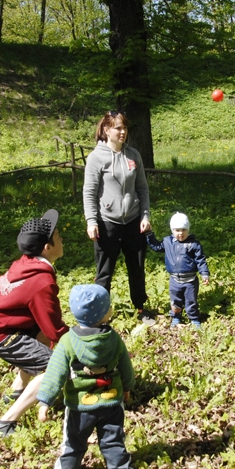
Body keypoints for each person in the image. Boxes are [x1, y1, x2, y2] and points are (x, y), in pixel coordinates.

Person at [0, 210, 69, 437]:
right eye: (58, 236)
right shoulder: (41, 281)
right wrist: (82, 345)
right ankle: (5, 422)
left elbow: (46, 327)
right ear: (47, 247)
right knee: (55, 367)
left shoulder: (27, 264)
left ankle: (18, 388)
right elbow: (56, 330)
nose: (62, 239)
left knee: (40, 334)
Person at [37, 284, 136, 469]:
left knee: (73, 442)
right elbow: (126, 366)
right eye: (109, 307)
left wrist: (45, 401)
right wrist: (127, 388)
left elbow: (55, 373)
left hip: (79, 407)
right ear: (104, 314)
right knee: (113, 440)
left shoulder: (67, 342)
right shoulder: (114, 339)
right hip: (111, 402)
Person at [82, 111, 155, 325]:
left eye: (125, 128)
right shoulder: (97, 157)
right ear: (106, 130)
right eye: (118, 128)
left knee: (137, 267)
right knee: (104, 271)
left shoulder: (134, 155)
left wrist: (145, 215)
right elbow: (89, 192)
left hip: (134, 221)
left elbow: (142, 189)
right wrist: (92, 221)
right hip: (107, 223)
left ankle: (141, 307)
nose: (123, 132)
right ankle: (100, 315)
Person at [146, 212, 210, 328]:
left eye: (183, 230)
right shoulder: (167, 242)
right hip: (174, 280)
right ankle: (176, 317)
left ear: (188, 230)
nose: (180, 233)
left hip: (190, 280)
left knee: (191, 301)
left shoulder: (193, 244)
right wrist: (149, 234)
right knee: (175, 301)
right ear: (172, 230)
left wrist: (204, 274)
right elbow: (156, 246)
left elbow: (200, 260)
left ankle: (194, 319)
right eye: (177, 230)